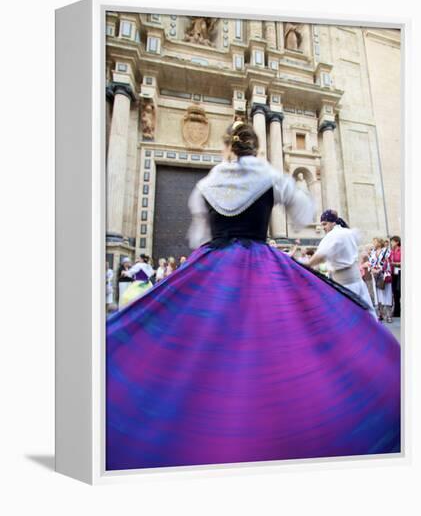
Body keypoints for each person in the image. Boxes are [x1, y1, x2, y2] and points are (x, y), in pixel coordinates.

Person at [106, 120, 400, 471]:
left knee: (206, 341)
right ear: (257, 147)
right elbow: (304, 212)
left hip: (213, 266)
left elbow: (198, 235)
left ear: (227, 147)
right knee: (279, 334)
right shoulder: (270, 175)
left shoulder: (207, 182)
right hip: (261, 263)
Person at [307, 209, 377, 320]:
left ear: (333, 222)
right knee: (366, 318)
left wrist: (306, 265)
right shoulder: (348, 232)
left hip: (346, 286)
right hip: (357, 283)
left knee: (348, 320)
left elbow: (321, 256)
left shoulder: (334, 235)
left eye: (325, 224)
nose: (323, 227)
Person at [369, 238, 392, 321]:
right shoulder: (373, 252)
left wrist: (380, 269)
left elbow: (387, 262)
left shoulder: (386, 251)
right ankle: (380, 314)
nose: (373, 243)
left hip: (384, 274)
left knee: (387, 293)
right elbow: (370, 262)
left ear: (379, 243)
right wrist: (372, 269)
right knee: (378, 294)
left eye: (374, 241)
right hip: (375, 275)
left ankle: (389, 315)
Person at [390, 236, 401, 317]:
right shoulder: (392, 251)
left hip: (400, 273)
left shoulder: (401, 250)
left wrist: (395, 264)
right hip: (393, 273)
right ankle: (397, 311)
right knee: (395, 293)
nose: (391, 243)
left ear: (397, 242)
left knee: (400, 292)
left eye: (392, 241)